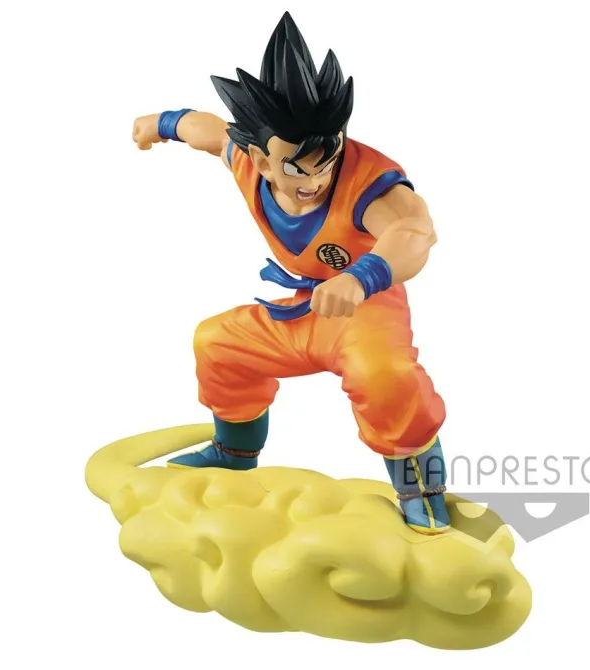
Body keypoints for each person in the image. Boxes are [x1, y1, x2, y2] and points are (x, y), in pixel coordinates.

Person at [131, 12, 449, 534]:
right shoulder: (246, 160)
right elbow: (206, 130)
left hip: (367, 307)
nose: (317, 178)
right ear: (260, 157)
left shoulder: (367, 180)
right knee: (217, 343)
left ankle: (422, 488)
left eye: (328, 158)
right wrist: (160, 124)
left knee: (385, 378)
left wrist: (361, 278)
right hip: (307, 306)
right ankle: (233, 453)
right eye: (299, 167)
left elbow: (414, 232)